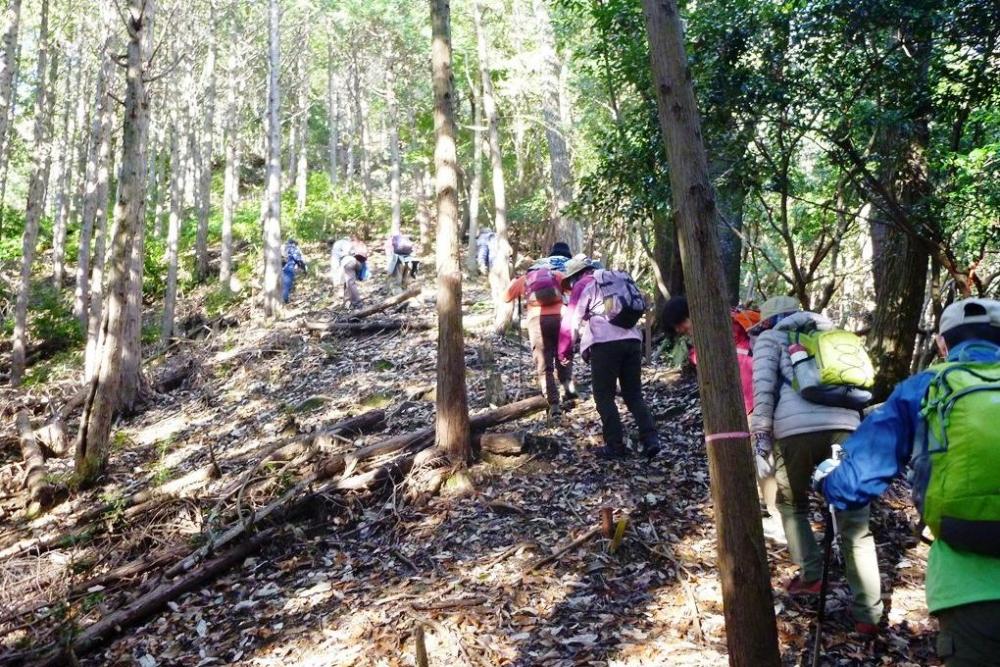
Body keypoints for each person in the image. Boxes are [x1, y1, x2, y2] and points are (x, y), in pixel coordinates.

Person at [814, 298, 1000, 663]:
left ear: (942, 344)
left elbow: (853, 485)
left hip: (971, 592)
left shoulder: (924, 388)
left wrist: (826, 481)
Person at [751, 295, 883, 635]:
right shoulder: (834, 334)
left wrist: (762, 436)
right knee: (855, 525)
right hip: (847, 430)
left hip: (795, 434)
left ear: (770, 320)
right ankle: (868, 615)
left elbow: (764, 390)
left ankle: (811, 574)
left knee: (791, 504)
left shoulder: (771, 338)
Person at [662, 295, 784, 543]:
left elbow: (718, 359)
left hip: (753, 399)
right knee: (766, 457)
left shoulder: (719, 326)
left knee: (764, 459)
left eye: (681, 323)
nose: (681, 330)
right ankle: (776, 511)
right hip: (761, 394)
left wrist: (696, 354)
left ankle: (779, 520)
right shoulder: (727, 319)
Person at [561, 256, 659, 460]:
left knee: (604, 396)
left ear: (576, 275)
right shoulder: (612, 281)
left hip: (605, 345)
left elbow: (571, 320)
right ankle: (650, 439)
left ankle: (615, 445)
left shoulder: (583, 284)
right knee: (634, 394)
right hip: (633, 341)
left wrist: (564, 350)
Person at [504, 246, 574, 418]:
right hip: (560, 317)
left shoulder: (526, 278)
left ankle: (554, 403)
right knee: (563, 356)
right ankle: (568, 392)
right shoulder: (556, 275)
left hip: (536, 321)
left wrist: (516, 284)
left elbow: (506, 296)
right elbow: (572, 289)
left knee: (544, 364)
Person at [330, 236, 367, 308]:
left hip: (348, 263)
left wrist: (335, 277)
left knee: (350, 283)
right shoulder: (347, 242)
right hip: (356, 262)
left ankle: (357, 303)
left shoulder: (336, 246)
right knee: (347, 282)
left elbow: (334, 262)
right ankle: (347, 302)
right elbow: (354, 253)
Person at [281, 239, 308, 304]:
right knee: (287, 284)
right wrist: (304, 269)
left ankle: (282, 300)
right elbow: (298, 259)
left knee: (283, 284)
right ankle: (285, 300)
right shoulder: (292, 248)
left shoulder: (284, 248)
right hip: (289, 268)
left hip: (281, 268)